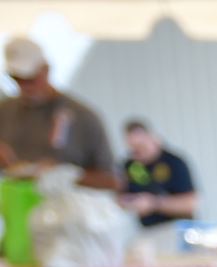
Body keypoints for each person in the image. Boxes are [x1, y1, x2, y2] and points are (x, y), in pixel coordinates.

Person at [0, 38, 113, 189]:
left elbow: (112, 180)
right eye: (17, 79)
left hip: (69, 207)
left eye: (30, 78)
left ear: (46, 70)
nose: (25, 86)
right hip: (14, 206)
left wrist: (69, 176)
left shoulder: (83, 116)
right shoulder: (4, 111)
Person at [117, 119, 194, 227]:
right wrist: (127, 202)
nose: (137, 153)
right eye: (133, 149)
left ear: (152, 138)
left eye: (141, 146)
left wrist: (154, 204)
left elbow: (190, 204)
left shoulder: (173, 162)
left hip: (178, 227)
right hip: (149, 230)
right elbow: (121, 196)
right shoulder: (131, 165)